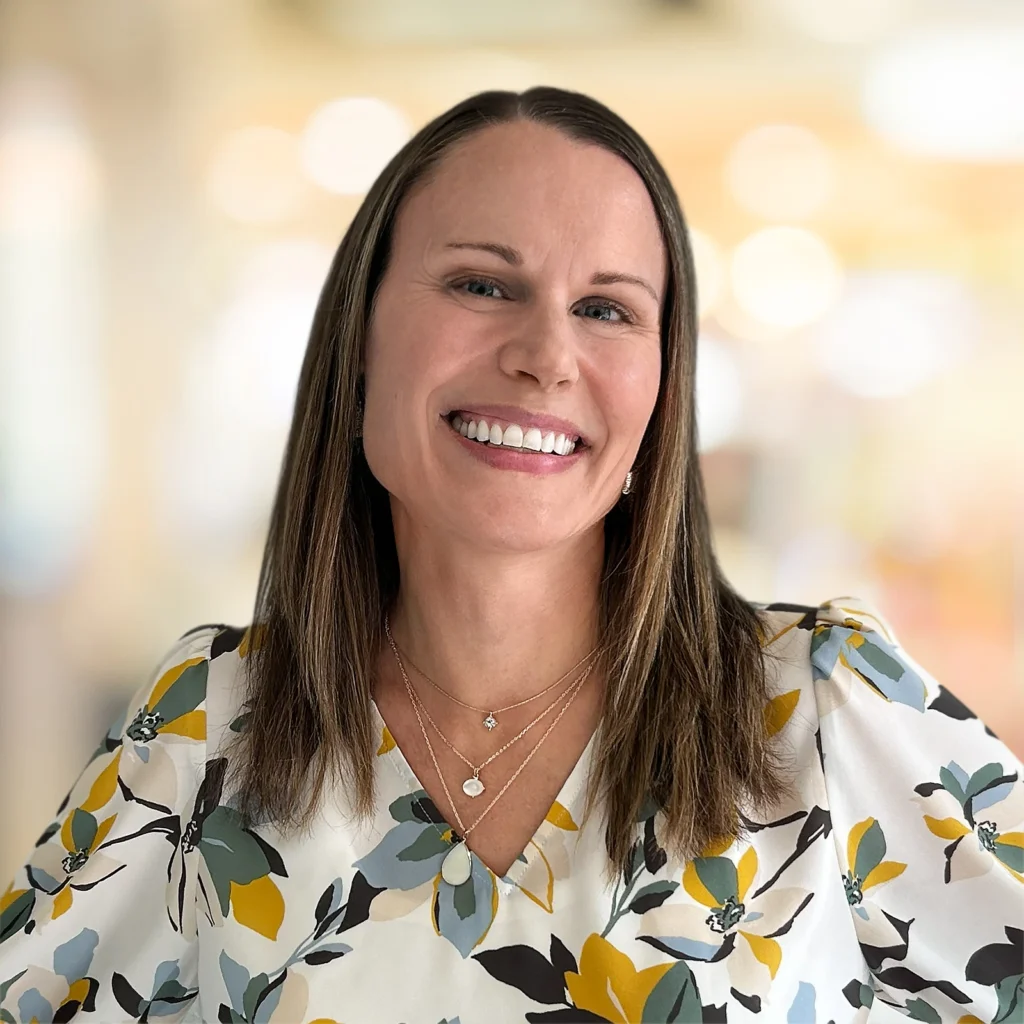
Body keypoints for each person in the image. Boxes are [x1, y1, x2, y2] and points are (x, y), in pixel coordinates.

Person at [1, 87, 1021, 1024]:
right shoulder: (211, 722)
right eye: (483, 284)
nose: (546, 353)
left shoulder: (822, 711)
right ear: (359, 337)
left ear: (662, 387)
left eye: (606, 308)